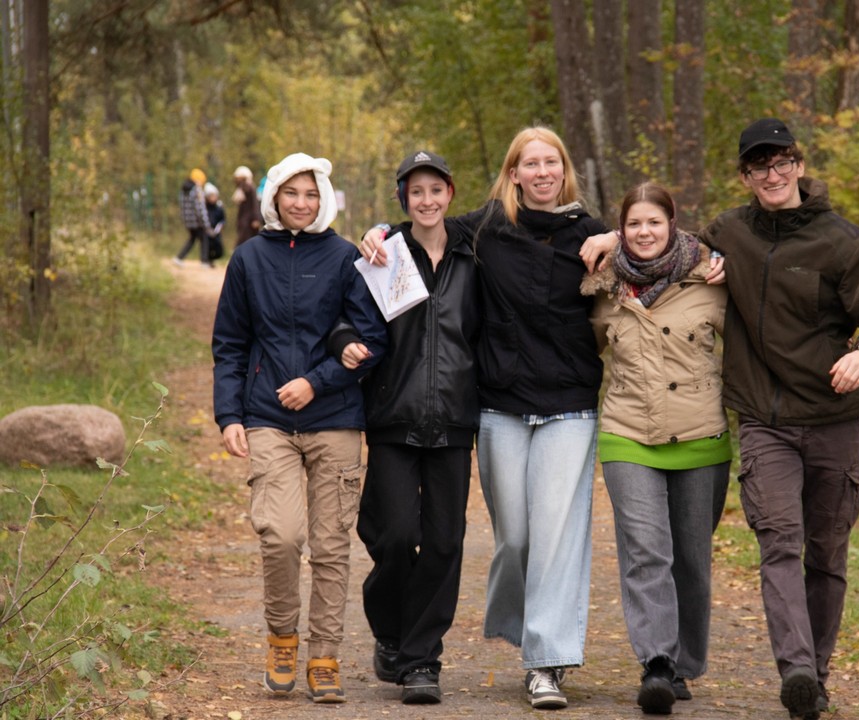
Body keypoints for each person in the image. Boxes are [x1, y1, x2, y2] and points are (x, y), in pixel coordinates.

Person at [359, 126, 612, 710]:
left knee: (549, 536)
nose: (543, 172)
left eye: (551, 162)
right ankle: (512, 626)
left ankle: (543, 660)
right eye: (531, 163)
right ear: (513, 173)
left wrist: (620, 235)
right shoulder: (488, 227)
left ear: (564, 169)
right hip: (500, 404)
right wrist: (378, 231)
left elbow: (658, 244)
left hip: (568, 402)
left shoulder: (591, 232)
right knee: (514, 539)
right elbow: (424, 227)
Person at [697, 118, 859, 719]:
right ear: (745, 176)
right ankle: (795, 668)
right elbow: (662, 243)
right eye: (758, 166)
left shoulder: (844, 243)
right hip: (764, 420)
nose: (772, 175)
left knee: (826, 554)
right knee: (778, 542)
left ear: (798, 165)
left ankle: (815, 676)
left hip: (832, 418)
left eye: (781, 163)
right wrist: (612, 238)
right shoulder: (729, 233)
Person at [212, 152, 387, 704]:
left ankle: (325, 656)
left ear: (324, 199)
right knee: (282, 536)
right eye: (292, 193)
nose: (302, 203)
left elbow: (371, 340)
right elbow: (230, 344)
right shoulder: (248, 258)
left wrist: (317, 382)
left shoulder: (344, 258)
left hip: (335, 416)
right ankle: (282, 639)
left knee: (331, 545)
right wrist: (229, 415)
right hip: (269, 418)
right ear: (274, 196)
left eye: (312, 194)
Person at [327, 151, 479, 705]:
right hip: (393, 414)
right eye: (417, 192)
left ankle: (420, 660)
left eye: (436, 189)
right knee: (391, 536)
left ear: (450, 193)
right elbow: (344, 319)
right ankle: (391, 630)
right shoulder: (384, 253)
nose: (427, 200)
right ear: (403, 199)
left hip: (454, 418)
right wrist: (344, 342)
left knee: (443, 541)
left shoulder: (474, 253)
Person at [580, 182, 730, 715]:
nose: (645, 233)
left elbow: (754, 343)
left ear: (673, 224)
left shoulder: (712, 277)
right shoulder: (603, 284)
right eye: (634, 224)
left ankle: (684, 663)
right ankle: (657, 663)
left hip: (701, 436)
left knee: (691, 557)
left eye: (654, 222)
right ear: (620, 229)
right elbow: (578, 349)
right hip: (628, 434)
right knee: (646, 550)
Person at [175, 168, 212, 266]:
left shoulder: (183, 190)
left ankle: (179, 258)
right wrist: (206, 223)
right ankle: (204, 261)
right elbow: (200, 208)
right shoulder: (197, 190)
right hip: (197, 221)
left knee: (192, 239)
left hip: (188, 220)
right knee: (204, 238)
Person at [232, 165, 262, 248]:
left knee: (247, 240)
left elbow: (254, 203)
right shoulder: (241, 189)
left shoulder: (250, 188)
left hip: (249, 220)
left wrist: (256, 218)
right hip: (243, 219)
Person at [204, 182, 226, 266]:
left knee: (219, 250)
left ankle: (212, 260)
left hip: (216, 231)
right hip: (207, 231)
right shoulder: (204, 207)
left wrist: (219, 227)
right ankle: (208, 261)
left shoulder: (219, 208)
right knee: (208, 247)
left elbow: (223, 219)